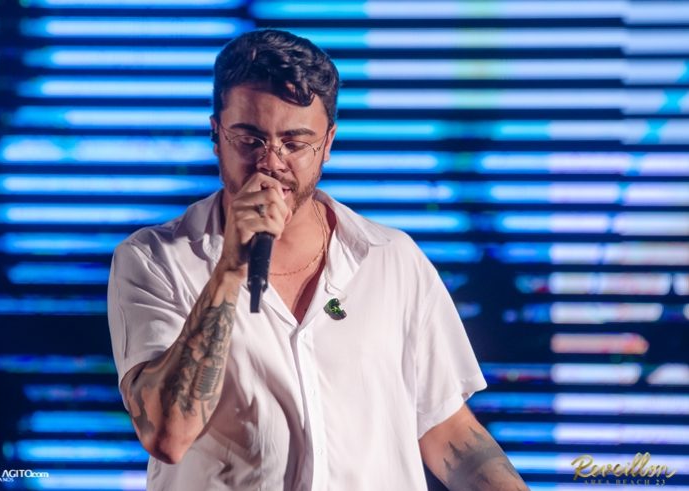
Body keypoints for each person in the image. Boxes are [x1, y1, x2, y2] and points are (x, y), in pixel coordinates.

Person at [107, 28, 529, 491]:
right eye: (249, 139)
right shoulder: (154, 260)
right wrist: (230, 267)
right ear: (216, 135)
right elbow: (167, 434)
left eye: (295, 143)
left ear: (327, 144)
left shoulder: (391, 260)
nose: (271, 163)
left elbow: (445, 428)